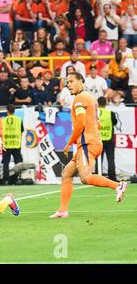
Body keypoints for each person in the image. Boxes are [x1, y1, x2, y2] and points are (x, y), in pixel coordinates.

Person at [50, 72, 128, 219]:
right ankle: (62, 210)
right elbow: (95, 121)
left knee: (85, 178)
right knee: (66, 174)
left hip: (87, 144)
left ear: (81, 82)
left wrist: (69, 143)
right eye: (67, 82)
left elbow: (80, 124)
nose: (69, 84)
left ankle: (118, 185)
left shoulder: (80, 99)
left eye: (72, 81)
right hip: (89, 143)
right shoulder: (89, 98)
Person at [1, 104, 24, 185]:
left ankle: (6, 180)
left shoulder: (3, 120)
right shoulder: (19, 120)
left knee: (6, 163)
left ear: (7, 111)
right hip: (16, 144)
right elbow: (22, 130)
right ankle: (17, 179)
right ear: (14, 111)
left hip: (6, 144)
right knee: (18, 163)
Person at [97, 96, 117, 181]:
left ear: (97, 103)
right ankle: (112, 177)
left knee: (98, 159)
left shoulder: (95, 113)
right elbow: (115, 123)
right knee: (111, 159)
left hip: (98, 139)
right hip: (109, 138)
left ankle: (98, 177)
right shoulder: (110, 113)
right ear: (106, 103)